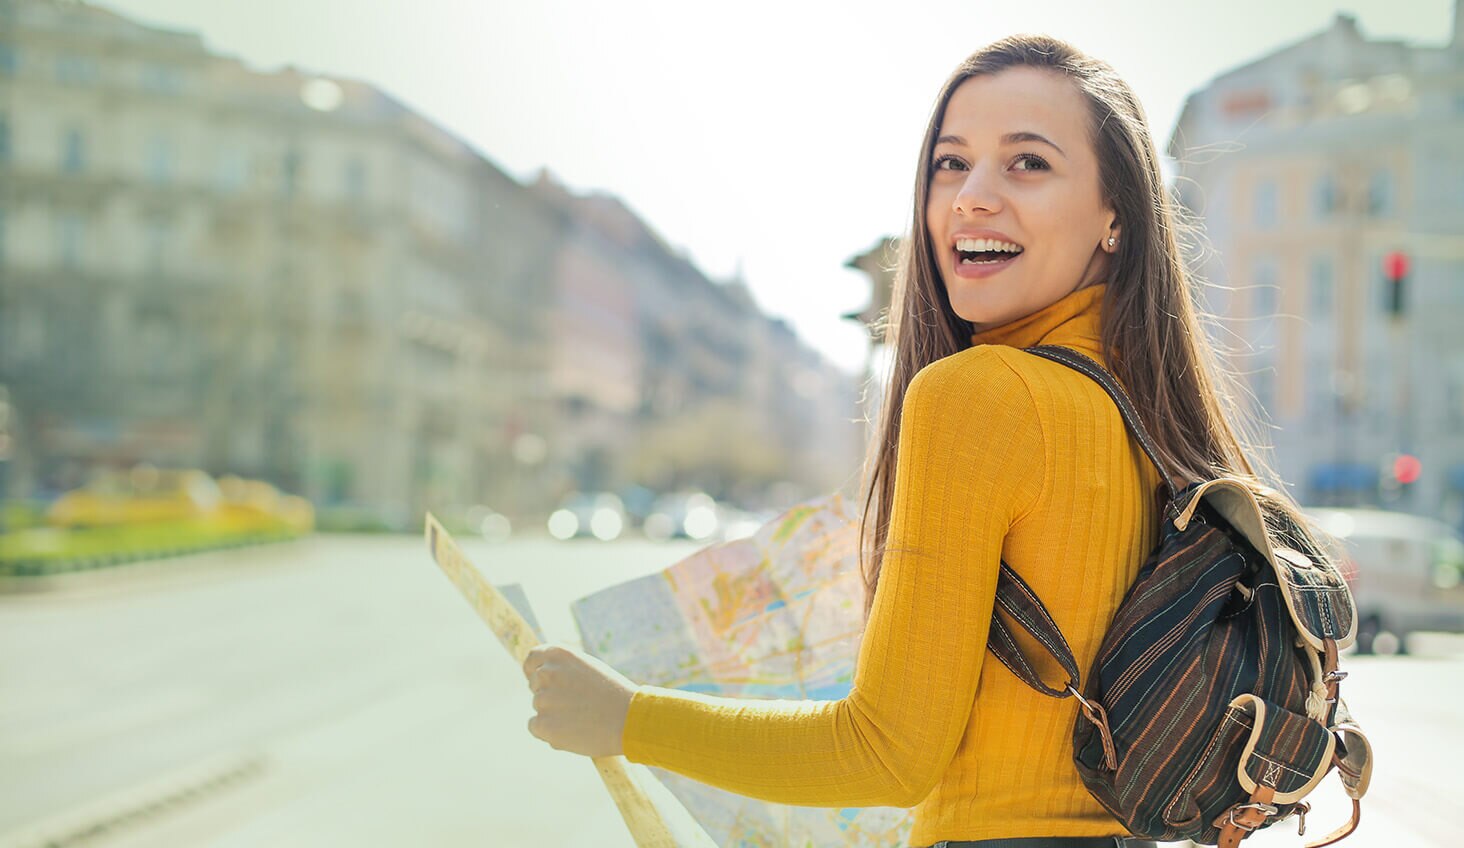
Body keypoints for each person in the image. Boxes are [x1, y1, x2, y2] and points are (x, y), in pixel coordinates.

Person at [520, 33, 1319, 848]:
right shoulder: (1156, 423)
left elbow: (885, 753)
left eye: (1027, 164)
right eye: (950, 164)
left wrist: (625, 718)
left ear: (1116, 215)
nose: (972, 197)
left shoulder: (977, 397)